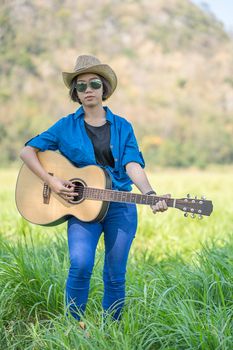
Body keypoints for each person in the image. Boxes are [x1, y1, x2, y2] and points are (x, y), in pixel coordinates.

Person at [20, 54, 170, 327]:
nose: (88, 90)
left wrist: (149, 193)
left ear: (104, 89)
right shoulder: (65, 125)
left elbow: (132, 163)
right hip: (81, 207)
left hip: (119, 206)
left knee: (115, 274)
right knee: (80, 265)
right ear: (75, 93)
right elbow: (27, 150)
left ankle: (110, 330)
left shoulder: (123, 126)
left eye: (94, 84)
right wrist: (52, 181)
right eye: (81, 86)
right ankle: (74, 328)